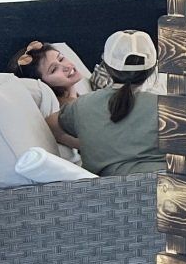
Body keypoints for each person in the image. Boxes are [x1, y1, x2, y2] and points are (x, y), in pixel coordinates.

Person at [57, 30, 163, 177]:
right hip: (167, 188)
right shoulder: (168, 107)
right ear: (153, 69)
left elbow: (51, 125)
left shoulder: (81, 107)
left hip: (106, 192)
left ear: (106, 67)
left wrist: (87, 144)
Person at [12, 39, 82, 151]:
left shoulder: (77, 97)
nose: (66, 66)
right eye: (54, 69)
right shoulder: (60, 117)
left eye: (61, 58)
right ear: (44, 84)